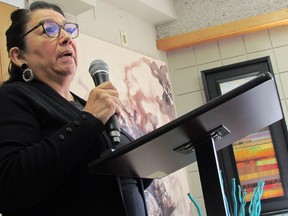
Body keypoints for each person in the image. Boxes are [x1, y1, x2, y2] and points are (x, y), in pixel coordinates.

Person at [0, 1, 152, 215]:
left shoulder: (83, 105)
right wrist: (89, 119)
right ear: (19, 56)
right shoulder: (13, 97)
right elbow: (11, 185)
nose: (66, 38)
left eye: (67, 29)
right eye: (49, 29)